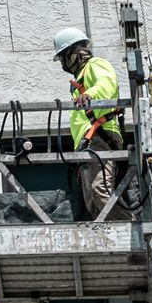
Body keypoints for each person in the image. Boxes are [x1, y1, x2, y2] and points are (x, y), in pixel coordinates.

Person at [53, 26, 125, 219]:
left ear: (73, 53)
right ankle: (107, 235)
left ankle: (128, 230)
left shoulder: (95, 64)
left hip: (102, 137)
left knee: (99, 189)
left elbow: (107, 83)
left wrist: (89, 94)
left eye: (62, 57)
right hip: (90, 143)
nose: (62, 63)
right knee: (92, 198)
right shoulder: (80, 77)